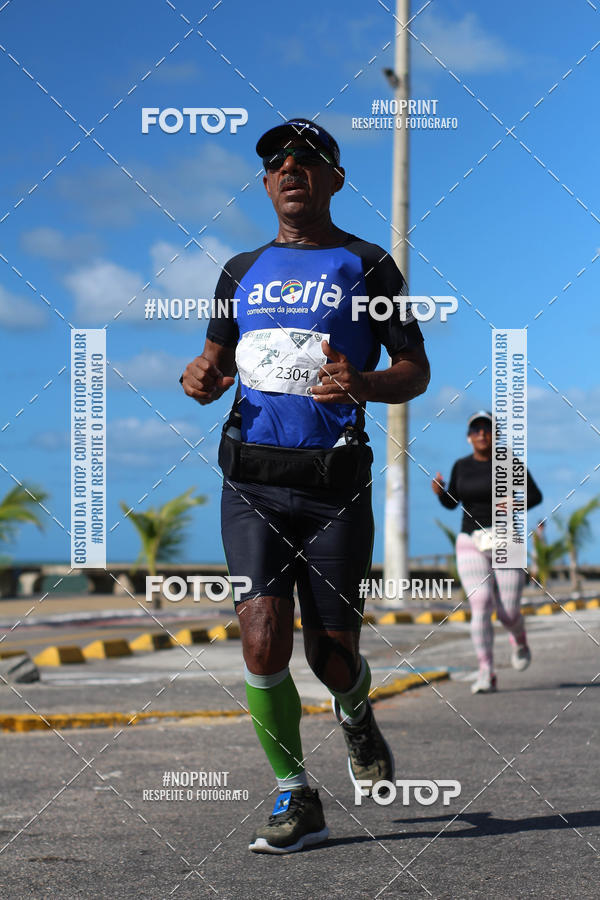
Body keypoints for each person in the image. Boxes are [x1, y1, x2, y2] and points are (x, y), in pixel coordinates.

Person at [181, 118, 430, 853]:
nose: (290, 166)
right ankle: (296, 796)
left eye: (308, 157)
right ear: (265, 183)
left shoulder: (369, 264)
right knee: (261, 643)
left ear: (334, 179)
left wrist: (366, 381)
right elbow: (212, 365)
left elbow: (415, 369)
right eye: (276, 160)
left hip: (335, 488)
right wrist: (200, 379)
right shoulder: (237, 269)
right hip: (252, 481)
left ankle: (355, 710)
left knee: (331, 656)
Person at [432, 410, 543, 694]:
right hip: (470, 539)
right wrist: (440, 492)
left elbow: (535, 495)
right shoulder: (461, 466)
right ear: (469, 437)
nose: (482, 434)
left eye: (488, 429)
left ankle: (519, 637)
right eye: (476, 430)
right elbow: (452, 503)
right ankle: (486, 671)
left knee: (507, 613)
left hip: (506, 539)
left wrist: (515, 505)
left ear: (496, 435)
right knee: (480, 603)